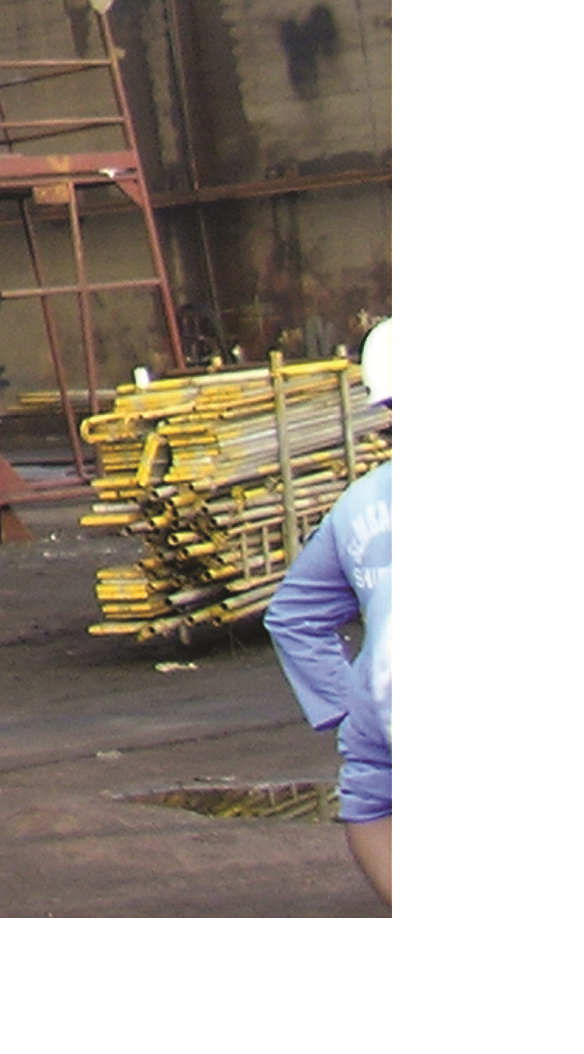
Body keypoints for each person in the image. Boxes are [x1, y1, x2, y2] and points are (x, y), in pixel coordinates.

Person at [266, 317, 392, 905]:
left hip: (384, 691)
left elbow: (292, 613)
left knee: (372, 803)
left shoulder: (358, 504)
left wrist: (349, 709)